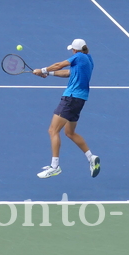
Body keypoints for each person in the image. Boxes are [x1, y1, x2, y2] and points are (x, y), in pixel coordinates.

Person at [33, 39, 99, 180]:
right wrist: (48, 74)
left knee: (53, 130)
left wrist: (42, 70)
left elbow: (59, 65)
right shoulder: (88, 60)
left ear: (75, 50)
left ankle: (55, 167)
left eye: (72, 50)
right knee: (69, 132)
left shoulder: (78, 56)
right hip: (79, 100)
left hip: (70, 98)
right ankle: (91, 157)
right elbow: (67, 73)